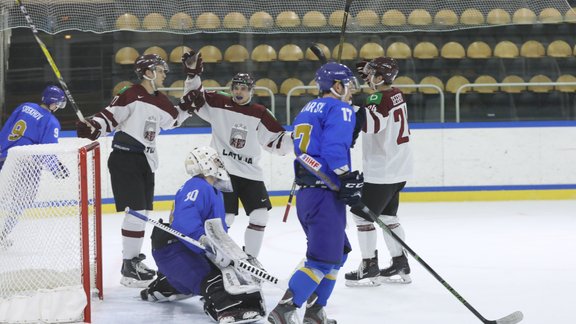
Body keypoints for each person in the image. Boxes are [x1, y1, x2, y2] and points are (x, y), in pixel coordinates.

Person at [76, 53, 204, 288]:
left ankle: (132, 262)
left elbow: (172, 121)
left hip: (145, 160)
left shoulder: (160, 99)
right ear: (148, 72)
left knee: (141, 213)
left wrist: (187, 106)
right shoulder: (130, 94)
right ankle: (129, 265)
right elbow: (109, 117)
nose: (165, 74)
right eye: (161, 70)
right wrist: (93, 126)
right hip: (125, 159)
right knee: (135, 212)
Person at [267, 62, 364, 324]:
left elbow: (307, 150)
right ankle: (285, 310)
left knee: (338, 253)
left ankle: (315, 311)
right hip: (323, 194)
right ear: (336, 85)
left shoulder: (307, 109)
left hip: (310, 195)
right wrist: (346, 176)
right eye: (348, 84)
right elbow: (333, 149)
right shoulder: (341, 108)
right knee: (321, 260)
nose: (351, 89)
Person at [181, 49, 293, 259]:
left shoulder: (260, 112)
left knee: (260, 216)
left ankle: (251, 259)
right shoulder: (218, 103)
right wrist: (192, 76)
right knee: (226, 218)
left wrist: (296, 140)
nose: (239, 92)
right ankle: (218, 256)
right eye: (236, 87)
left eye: (243, 88)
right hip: (223, 173)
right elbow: (194, 97)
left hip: (251, 174)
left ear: (251, 90)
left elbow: (277, 140)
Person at [141, 146, 265, 323]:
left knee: (230, 274)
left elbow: (216, 230)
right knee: (214, 280)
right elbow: (184, 221)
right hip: (173, 247)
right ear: (205, 164)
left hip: (187, 248)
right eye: (215, 161)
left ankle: (167, 284)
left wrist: (226, 251)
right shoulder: (197, 186)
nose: (219, 164)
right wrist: (205, 241)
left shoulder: (213, 190)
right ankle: (225, 309)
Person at [345, 57, 414, 286]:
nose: (368, 76)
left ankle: (369, 266)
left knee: (360, 215)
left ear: (381, 77)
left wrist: (352, 102)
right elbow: (378, 99)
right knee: (388, 217)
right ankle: (400, 263)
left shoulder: (376, 98)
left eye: (372, 73)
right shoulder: (396, 93)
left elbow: (372, 125)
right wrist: (370, 77)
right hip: (399, 167)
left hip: (381, 170)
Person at [0, 85, 69, 248]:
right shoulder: (51, 122)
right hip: (26, 166)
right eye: (58, 103)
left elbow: (7, 127)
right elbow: (47, 151)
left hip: (4, 158)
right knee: (21, 203)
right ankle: (1, 236)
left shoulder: (25, 106)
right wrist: (56, 169)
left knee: (2, 196)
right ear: (53, 102)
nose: (58, 107)